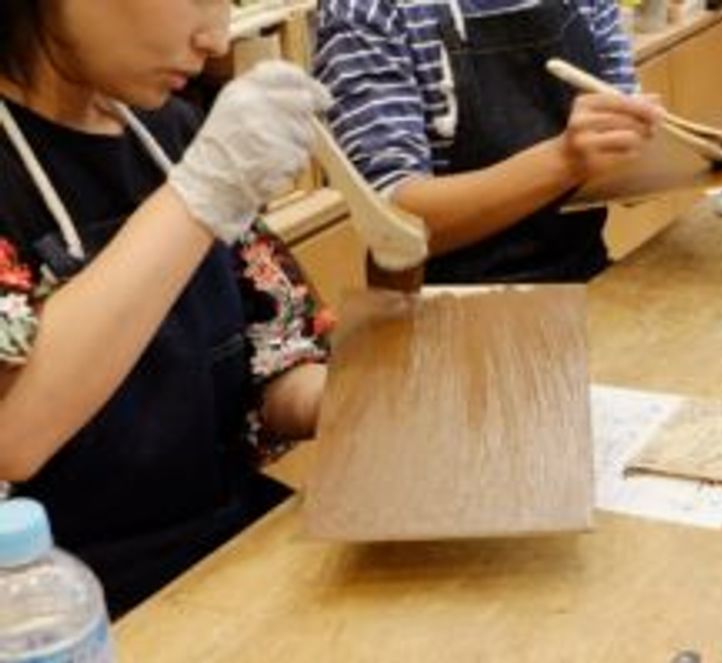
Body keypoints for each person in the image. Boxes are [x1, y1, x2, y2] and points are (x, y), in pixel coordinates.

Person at [0, 0, 333, 617]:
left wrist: (359, 398)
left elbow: (273, 361)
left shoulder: (173, 132)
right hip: (61, 611)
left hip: (229, 556)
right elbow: (12, 436)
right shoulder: (201, 169)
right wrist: (197, 198)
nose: (216, 38)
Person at [316, 0, 663, 283]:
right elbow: (392, 218)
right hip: (452, 310)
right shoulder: (365, 8)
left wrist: (652, 153)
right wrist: (564, 161)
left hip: (586, 278)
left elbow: (627, 159)